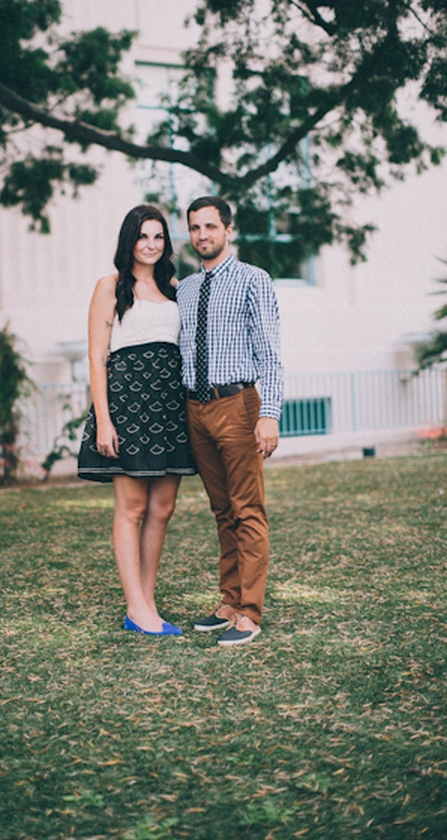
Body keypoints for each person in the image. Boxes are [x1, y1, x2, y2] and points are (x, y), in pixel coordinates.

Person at [77, 204, 196, 636]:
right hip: (127, 406)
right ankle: (136, 606)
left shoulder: (176, 287)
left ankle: (145, 604)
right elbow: (96, 357)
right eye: (144, 236)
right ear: (130, 240)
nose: (151, 244)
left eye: (159, 236)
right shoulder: (109, 286)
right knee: (132, 508)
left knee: (162, 508)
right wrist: (104, 421)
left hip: (169, 406)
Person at [176, 196, 284, 647]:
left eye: (211, 227)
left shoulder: (252, 281)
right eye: (196, 228)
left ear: (229, 229)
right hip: (195, 410)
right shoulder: (183, 289)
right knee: (222, 511)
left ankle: (250, 613)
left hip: (237, 404)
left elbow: (270, 352)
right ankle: (229, 599)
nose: (203, 235)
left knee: (247, 510)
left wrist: (269, 414)